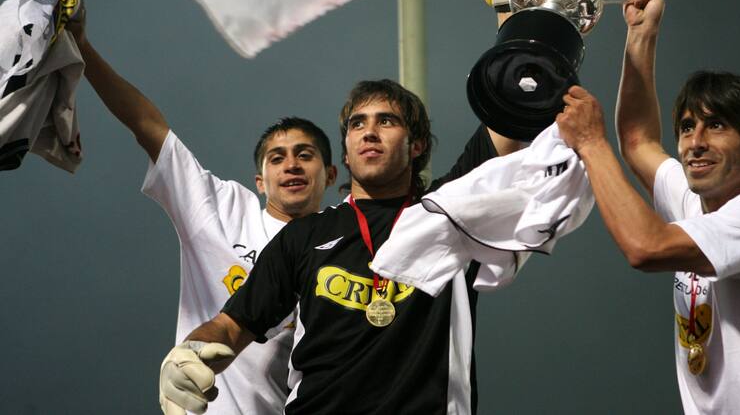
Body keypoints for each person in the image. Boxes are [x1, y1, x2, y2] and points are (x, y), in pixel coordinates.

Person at [158, 79, 528, 415]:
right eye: (357, 124)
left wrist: (515, 16)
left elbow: (512, 105)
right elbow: (230, 326)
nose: (369, 132)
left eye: (386, 121)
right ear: (347, 155)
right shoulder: (304, 236)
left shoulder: (450, 213)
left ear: (416, 146)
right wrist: (188, 354)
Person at [67, 13, 337, 414]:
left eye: (305, 155)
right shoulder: (222, 208)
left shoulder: (346, 239)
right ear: (260, 182)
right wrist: (83, 48)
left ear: (330, 174)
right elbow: (148, 127)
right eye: (276, 158)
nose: (291, 165)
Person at [555, 0, 740, 414]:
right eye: (687, 127)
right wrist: (641, 33)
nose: (695, 142)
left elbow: (646, 247)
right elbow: (637, 140)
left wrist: (591, 142)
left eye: (716, 126)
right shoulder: (694, 206)